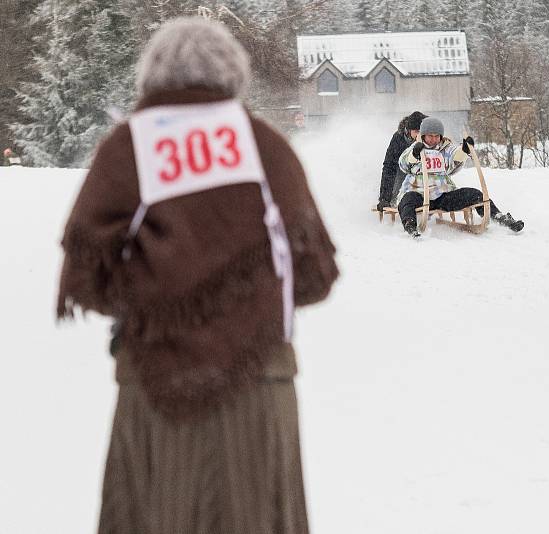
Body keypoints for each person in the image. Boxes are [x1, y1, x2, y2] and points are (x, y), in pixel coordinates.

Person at [56, 17, 338, 534]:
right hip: (260, 386)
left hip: (154, 390)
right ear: (233, 76)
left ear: (152, 77)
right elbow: (315, 277)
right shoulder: (267, 146)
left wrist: (157, 301)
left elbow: (85, 279)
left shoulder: (127, 146)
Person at [397, 116, 524, 237]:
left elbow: (455, 155)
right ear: (423, 135)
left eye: (437, 136)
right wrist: (414, 155)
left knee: (476, 194)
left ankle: (498, 216)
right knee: (407, 200)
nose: (433, 139)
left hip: (442, 195)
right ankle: (410, 224)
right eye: (430, 136)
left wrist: (464, 150)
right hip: (418, 193)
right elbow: (403, 163)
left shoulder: (445, 148)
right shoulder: (416, 148)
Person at [376, 110, 427, 211]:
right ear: (408, 130)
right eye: (416, 132)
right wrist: (384, 198)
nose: (420, 135)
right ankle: (396, 199)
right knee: (401, 171)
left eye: (422, 132)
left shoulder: (429, 137)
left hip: (423, 173)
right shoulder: (398, 139)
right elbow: (389, 167)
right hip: (403, 172)